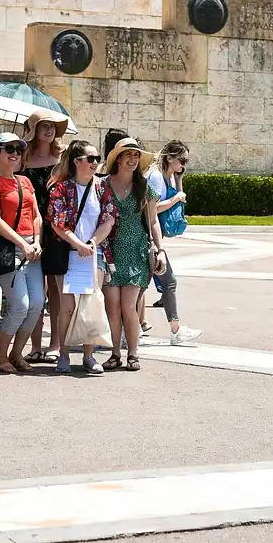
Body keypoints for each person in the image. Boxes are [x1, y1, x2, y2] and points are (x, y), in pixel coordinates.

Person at [47, 140, 119, 374]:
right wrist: (77, 244)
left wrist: (91, 243)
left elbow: (108, 219)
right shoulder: (61, 188)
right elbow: (58, 223)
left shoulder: (102, 188)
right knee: (67, 306)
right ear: (77, 162)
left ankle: (88, 356)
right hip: (68, 253)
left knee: (91, 304)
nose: (95, 163)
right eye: (91, 159)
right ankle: (64, 353)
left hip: (93, 254)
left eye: (97, 159)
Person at [101, 138, 166, 372]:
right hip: (109, 252)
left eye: (136, 156)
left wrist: (160, 249)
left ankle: (133, 353)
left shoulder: (144, 187)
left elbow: (153, 220)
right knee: (112, 305)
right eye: (128, 154)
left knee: (129, 306)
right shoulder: (103, 185)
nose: (132, 159)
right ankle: (115, 353)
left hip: (136, 252)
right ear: (117, 158)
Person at [0, 132, 44, 373]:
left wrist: (37, 241)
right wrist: (22, 244)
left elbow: (37, 215)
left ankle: (16, 353)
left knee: (37, 304)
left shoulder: (25, 182)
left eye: (19, 150)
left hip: (31, 247)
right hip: (8, 249)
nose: (15, 154)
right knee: (20, 304)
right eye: (9, 149)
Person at [19, 109, 69, 365]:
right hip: (30, 228)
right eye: (43, 126)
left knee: (57, 289)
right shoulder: (22, 158)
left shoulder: (62, 159)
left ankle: (56, 343)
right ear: (34, 131)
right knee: (35, 287)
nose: (49, 130)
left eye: (52, 126)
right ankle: (35, 345)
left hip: (57, 228)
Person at [143, 140, 202, 345]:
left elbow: (179, 201)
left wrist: (179, 181)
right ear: (169, 158)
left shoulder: (167, 177)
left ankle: (174, 331)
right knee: (162, 283)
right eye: (181, 160)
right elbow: (153, 208)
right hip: (147, 237)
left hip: (153, 237)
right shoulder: (157, 177)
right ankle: (174, 332)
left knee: (145, 286)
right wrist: (176, 197)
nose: (183, 165)